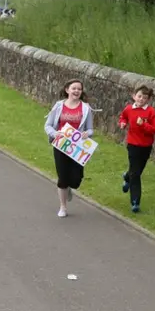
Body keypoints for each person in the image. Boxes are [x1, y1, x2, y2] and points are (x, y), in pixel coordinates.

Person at [44, 79, 94, 218]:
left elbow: (90, 129)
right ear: (67, 90)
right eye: (74, 88)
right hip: (61, 144)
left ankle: (69, 187)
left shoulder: (85, 108)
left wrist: (86, 134)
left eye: (79, 89)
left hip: (77, 147)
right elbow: (47, 125)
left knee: (76, 180)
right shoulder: (58, 106)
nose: (76, 91)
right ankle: (63, 207)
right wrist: (56, 134)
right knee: (62, 177)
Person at [118, 85, 155, 213]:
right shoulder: (129, 109)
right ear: (134, 96)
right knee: (136, 174)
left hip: (146, 146)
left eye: (145, 97)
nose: (141, 99)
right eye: (139, 96)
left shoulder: (151, 112)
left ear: (148, 99)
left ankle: (126, 177)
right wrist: (123, 123)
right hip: (132, 144)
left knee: (137, 171)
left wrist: (144, 125)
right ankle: (135, 202)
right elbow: (123, 117)